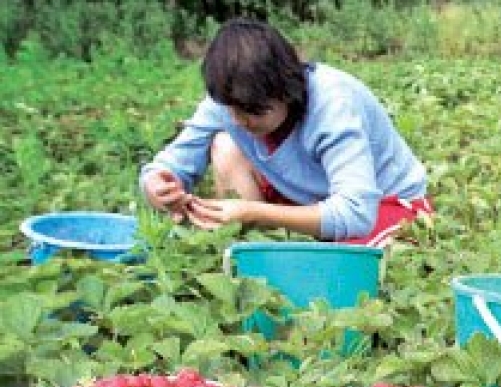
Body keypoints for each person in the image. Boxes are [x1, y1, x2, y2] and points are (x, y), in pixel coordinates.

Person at [139, 18, 430, 248]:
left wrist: (252, 212)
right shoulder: (229, 100)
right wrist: (159, 185)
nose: (240, 120)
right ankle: (263, 244)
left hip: (379, 204)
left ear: (286, 89)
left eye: (254, 111)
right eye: (231, 109)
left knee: (353, 264)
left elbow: (356, 214)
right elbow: (169, 165)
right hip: (304, 200)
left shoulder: (332, 104)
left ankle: (279, 239)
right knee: (224, 145)